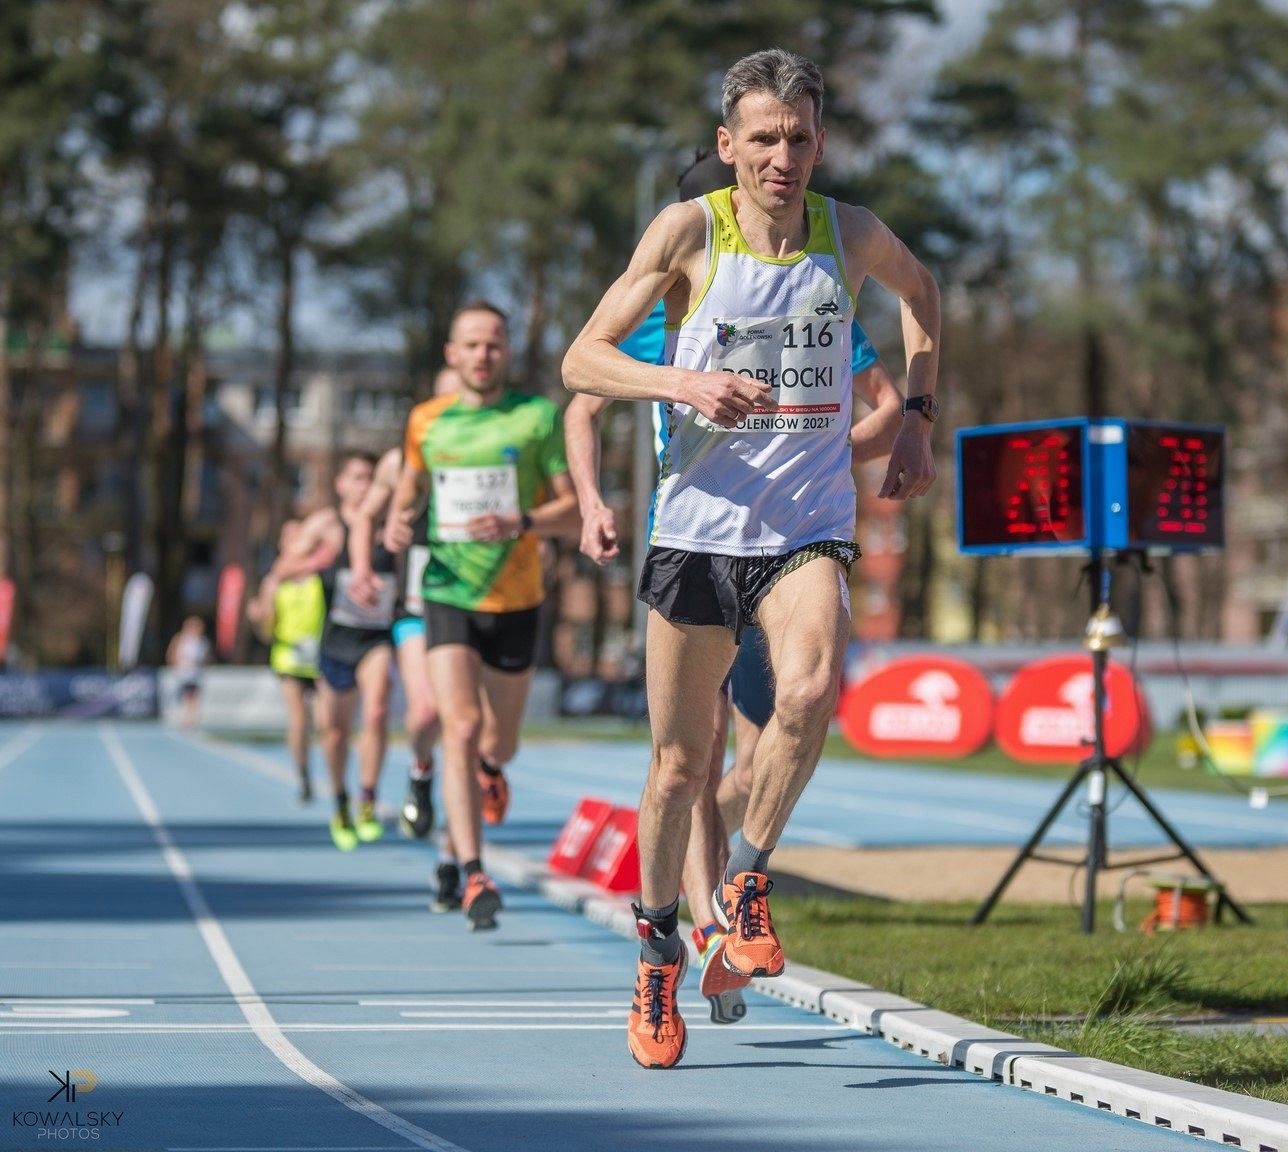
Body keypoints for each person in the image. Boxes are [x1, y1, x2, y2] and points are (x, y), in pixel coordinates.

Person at [562, 48, 940, 1069]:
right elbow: (579, 361)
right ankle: (655, 954)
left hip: (805, 527)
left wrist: (918, 418)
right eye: (764, 138)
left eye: (801, 138)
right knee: (681, 768)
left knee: (810, 688)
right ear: (729, 146)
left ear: (821, 144)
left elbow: (923, 291)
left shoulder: (847, 233)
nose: (784, 156)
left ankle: (747, 883)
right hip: (696, 534)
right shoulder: (688, 232)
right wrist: (685, 388)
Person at [386, 300, 579, 930]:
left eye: (493, 344)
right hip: (446, 592)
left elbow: (572, 510)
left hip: (517, 599)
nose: (482, 355)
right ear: (452, 353)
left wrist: (521, 521)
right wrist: (395, 517)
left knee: (499, 743)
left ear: (507, 351)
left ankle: (490, 774)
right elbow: (411, 490)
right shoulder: (426, 422)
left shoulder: (535, 418)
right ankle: (472, 871)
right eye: (471, 345)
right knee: (459, 728)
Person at [348, 368, 459, 844]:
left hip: (474, 597)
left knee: (472, 726)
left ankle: (459, 845)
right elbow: (365, 516)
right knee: (426, 713)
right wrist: (362, 569)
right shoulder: (400, 460)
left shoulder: (495, 452)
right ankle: (421, 767)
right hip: (414, 602)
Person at [270, 451, 391, 851]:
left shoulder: (389, 520)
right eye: (357, 477)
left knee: (376, 710)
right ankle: (340, 800)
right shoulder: (325, 525)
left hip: (377, 636)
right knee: (335, 733)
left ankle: (368, 800)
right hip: (336, 639)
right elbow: (281, 571)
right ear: (339, 484)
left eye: (371, 478)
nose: (365, 485)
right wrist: (320, 558)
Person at [247, 519, 326, 803]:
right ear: (283, 544)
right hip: (289, 657)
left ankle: (331, 773)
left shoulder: (321, 570)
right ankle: (304, 774)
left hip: (321, 655)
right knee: (298, 720)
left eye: (300, 535)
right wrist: (260, 617)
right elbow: (266, 630)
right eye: (290, 537)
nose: (297, 541)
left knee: (327, 721)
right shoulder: (273, 581)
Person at [166, 616, 211, 730]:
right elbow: (171, 654)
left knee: (194, 698)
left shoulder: (203, 642)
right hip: (183, 674)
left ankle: (191, 720)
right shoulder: (180, 639)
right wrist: (177, 664)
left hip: (197, 674)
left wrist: (202, 665)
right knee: (187, 697)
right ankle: (186, 720)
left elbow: (207, 658)